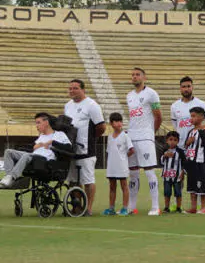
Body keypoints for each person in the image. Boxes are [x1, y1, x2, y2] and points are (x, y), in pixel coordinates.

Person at [64, 79, 106, 216]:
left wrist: (90, 138)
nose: (72, 91)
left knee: (88, 180)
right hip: (71, 149)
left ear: (83, 89)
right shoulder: (67, 106)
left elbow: (101, 127)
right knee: (73, 180)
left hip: (87, 150)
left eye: (75, 88)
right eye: (70, 88)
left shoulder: (92, 105)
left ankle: (88, 208)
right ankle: (77, 206)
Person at [126, 67, 163, 216]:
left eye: (137, 75)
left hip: (146, 137)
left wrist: (150, 133)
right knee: (133, 172)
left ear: (144, 77)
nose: (134, 77)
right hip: (132, 136)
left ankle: (155, 206)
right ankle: (132, 206)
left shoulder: (151, 94)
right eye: (133, 75)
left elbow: (158, 116)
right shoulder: (129, 96)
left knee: (149, 171)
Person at [0, 112, 72, 188]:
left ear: (46, 122)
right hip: (33, 157)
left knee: (27, 155)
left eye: (38, 123)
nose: (36, 126)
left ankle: (11, 177)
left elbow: (69, 148)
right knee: (8, 152)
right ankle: (9, 179)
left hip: (45, 161)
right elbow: (32, 149)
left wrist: (52, 142)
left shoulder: (59, 134)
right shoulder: (41, 136)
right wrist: (34, 147)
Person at [103, 112, 134, 216]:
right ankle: (111, 208)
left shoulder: (125, 136)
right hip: (112, 166)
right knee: (112, 187)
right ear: (111, 123)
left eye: (120, 121)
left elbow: (131, 150)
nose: (119, 123)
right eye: (116, 121)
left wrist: (124, 157)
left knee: (124, 186)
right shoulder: (110, 137)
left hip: (122, 166)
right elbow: (109, 151)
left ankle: (125, 208)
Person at [183, 107, 205, 214]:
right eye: (191, 116)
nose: (191, 118)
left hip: (201, 162)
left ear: (201, 117)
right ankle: (193, 207)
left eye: (194, 116)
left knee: (202, 184)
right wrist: (188, 142)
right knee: (192, 185)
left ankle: (203, 207)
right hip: (191, 162)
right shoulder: (191, 131)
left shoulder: (204, 130)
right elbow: (186, 145)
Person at [170, 76, 205, 148]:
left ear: (192, 87)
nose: (186, 89)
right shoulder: (174, 106)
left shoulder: (201, 104)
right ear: (180, 89)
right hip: (181, 145)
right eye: (183, 87)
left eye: (188, 86)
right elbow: (175, 126)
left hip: (197, 146)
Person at [161, 131, 185, 214]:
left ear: (178, 141)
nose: (172, 142)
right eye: (170, 139)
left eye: (175, 140)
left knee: (178, 192)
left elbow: (184, 163)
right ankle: (166, 207)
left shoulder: (180, 152)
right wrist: (164, 156)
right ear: (167, 140)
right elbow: (161, 162)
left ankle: (178, 207)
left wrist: (183, 172)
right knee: (167, 192)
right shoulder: (164, 150)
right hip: (167, 175)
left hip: (177, 176)